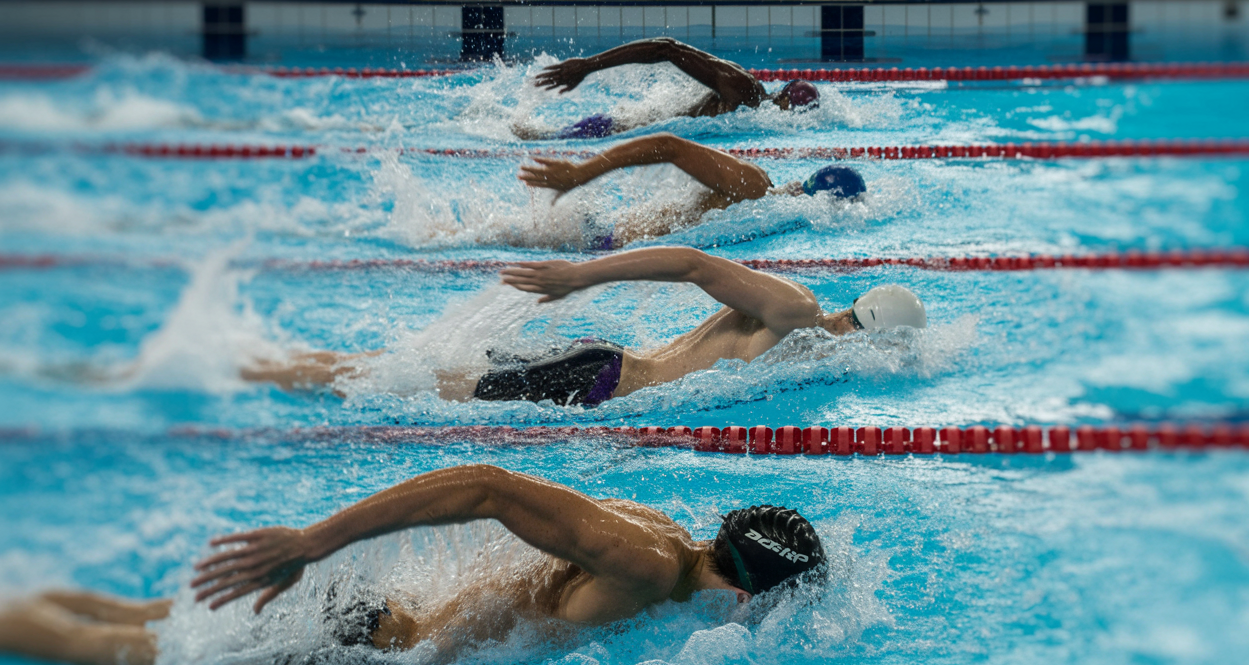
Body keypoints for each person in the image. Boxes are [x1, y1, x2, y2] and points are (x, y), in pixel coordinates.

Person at [0, 464, 826, 665]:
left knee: (132, 617)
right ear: (743, 596)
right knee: (129, 658)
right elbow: (488, 487)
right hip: (360, 645)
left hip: (372, 618)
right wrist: (314, 542)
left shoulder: (666, 544)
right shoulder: (646, 563)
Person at [240, 246, 927, 407]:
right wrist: (580, 276)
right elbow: (692, 263)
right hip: (600, 378)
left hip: (601, 367)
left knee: (408, 376)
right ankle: (257, 369)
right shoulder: (798, 313)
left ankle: (267, 364)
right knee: (402, 383)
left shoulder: (810, 347)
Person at [517, 132, 868, 249]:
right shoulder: (755, 185)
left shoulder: (768, 207)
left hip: (606, 238)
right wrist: (581, 173)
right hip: (600, 238)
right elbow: (669, 146)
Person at [517, 38, 819, 140]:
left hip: (628, 131)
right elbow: (666, 48)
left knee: (534, 136)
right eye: (791, 111)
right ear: (783, 100)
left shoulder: (753, 109)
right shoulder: (744, 88)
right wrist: (587, 65)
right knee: (532, 138)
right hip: (614, 131)